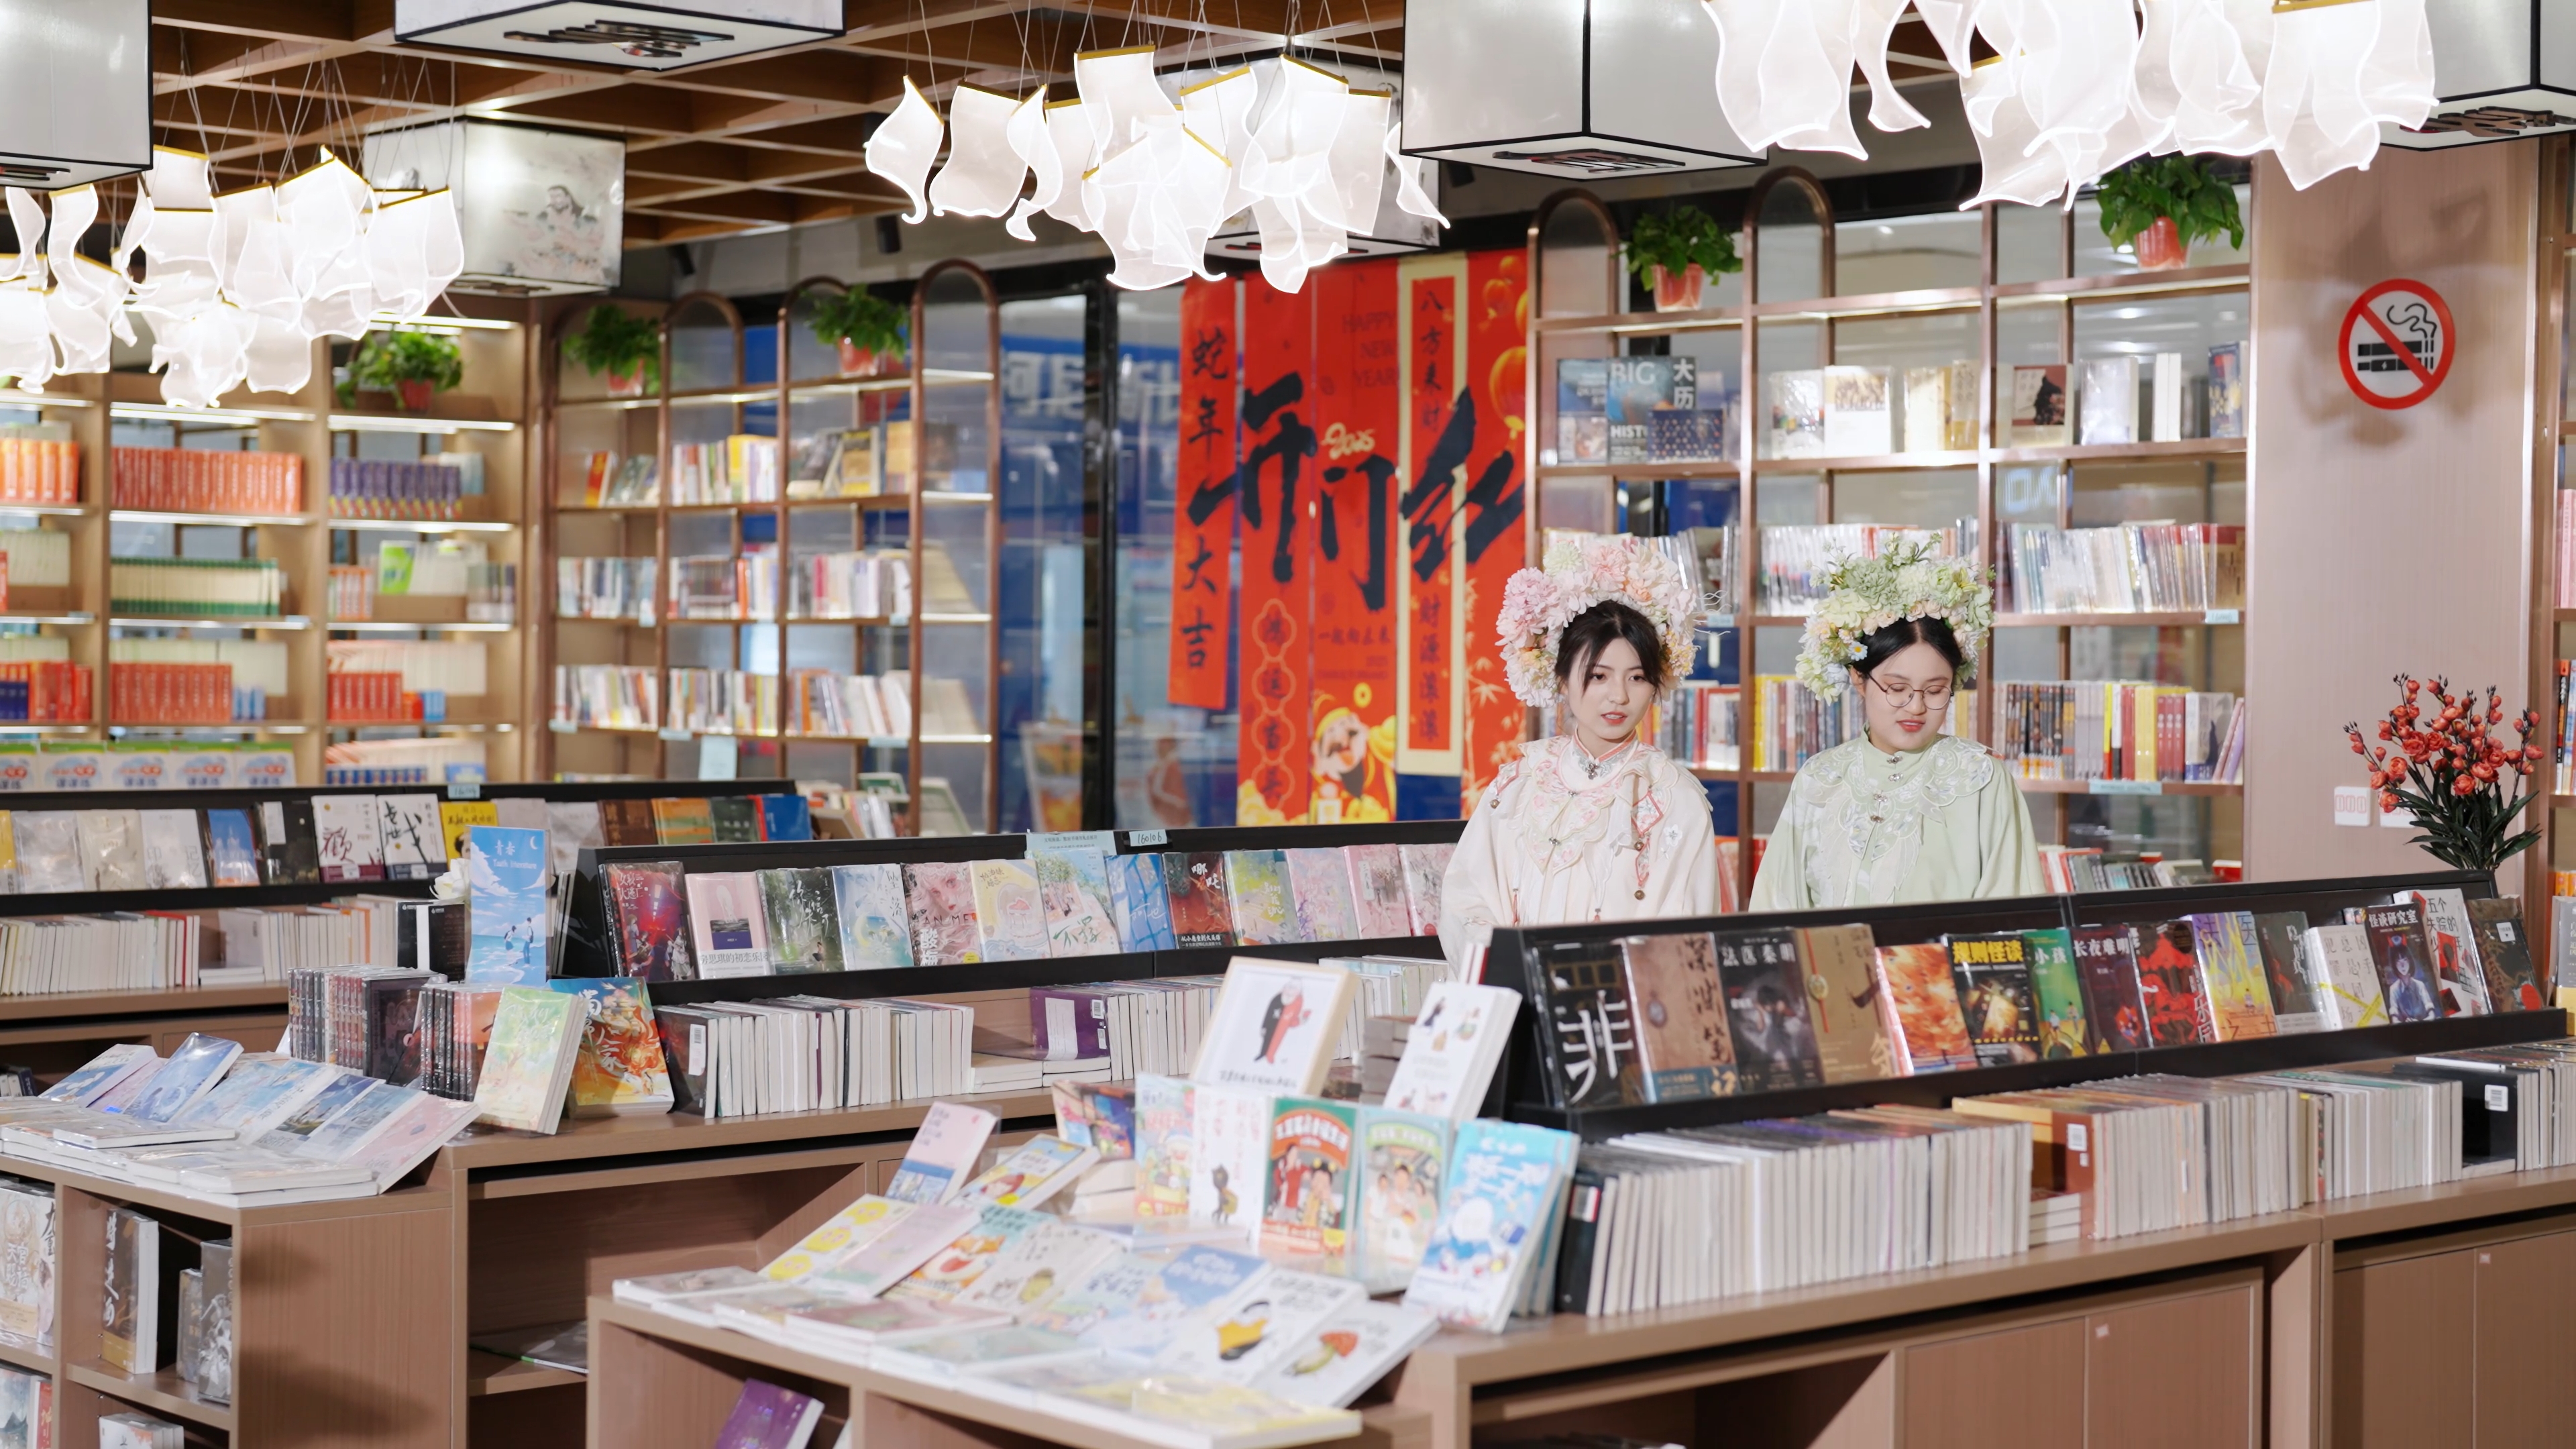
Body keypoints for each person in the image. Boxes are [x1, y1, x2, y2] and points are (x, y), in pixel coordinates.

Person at [1439, 535, 1719, 965]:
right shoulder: (1516, 786)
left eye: (1637, 677)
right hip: (1518, 995)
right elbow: (1466, 902)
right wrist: (1517, 973)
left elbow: (1687, 936)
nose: (1619, 697)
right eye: (1598, 676)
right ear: (1563, 678)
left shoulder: (1673, 799)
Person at [1748, 541, 2043, 910]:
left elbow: (2012, 910)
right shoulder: (1820, 778)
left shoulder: (1980, 778)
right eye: (1897, 689)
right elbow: (1777, 907)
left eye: (1935, 690)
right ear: (1859, 678)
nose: (1916, 707)